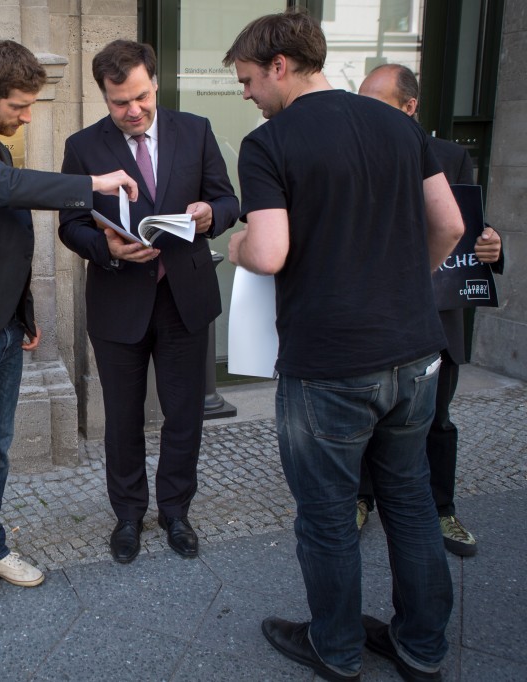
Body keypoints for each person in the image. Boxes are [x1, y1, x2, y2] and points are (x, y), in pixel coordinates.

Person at [223, 11, 464, 682]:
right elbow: (448, 223)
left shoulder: (269, 142)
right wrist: (402, 283)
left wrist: (237, 244)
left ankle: (335, 648)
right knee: (410, 499)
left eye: (247, 80)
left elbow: (269, 252)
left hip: (329, 362)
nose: (245, 94)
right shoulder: (398, 124)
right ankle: (422, 647)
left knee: (328, 516)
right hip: (415, 351)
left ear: (279, 65)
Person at [0, 39, 138, 638]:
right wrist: (91, 182)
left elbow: (7, 238)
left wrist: (26, 311)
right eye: (19, 105)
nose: (27, 116)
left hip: (3, 324)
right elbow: (4, 192)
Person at [58, 40, 239, 564]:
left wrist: (212, 215)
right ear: (104, 97)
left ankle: (176, 511)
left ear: (155, 83)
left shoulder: (196, 130)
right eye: (120, 103)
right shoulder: (83, 147)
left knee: (184, 414)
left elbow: (228, 199)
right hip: (118, 299)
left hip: (184, 296)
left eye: (140, 97)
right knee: (122, 417)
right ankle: (129, 515)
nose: (133, 111)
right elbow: (70, 225)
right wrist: (105, 246)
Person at [355, 63, 504, 557]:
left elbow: (470, 230)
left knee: (437, 418)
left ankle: (442, 509)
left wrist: (491, 247)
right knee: (364, 419)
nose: (364, 115)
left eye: (377, 105)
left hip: (436, 317)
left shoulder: (449, 156)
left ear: (409, 108)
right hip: (372, 314)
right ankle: (361, 498)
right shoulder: (352, 156)